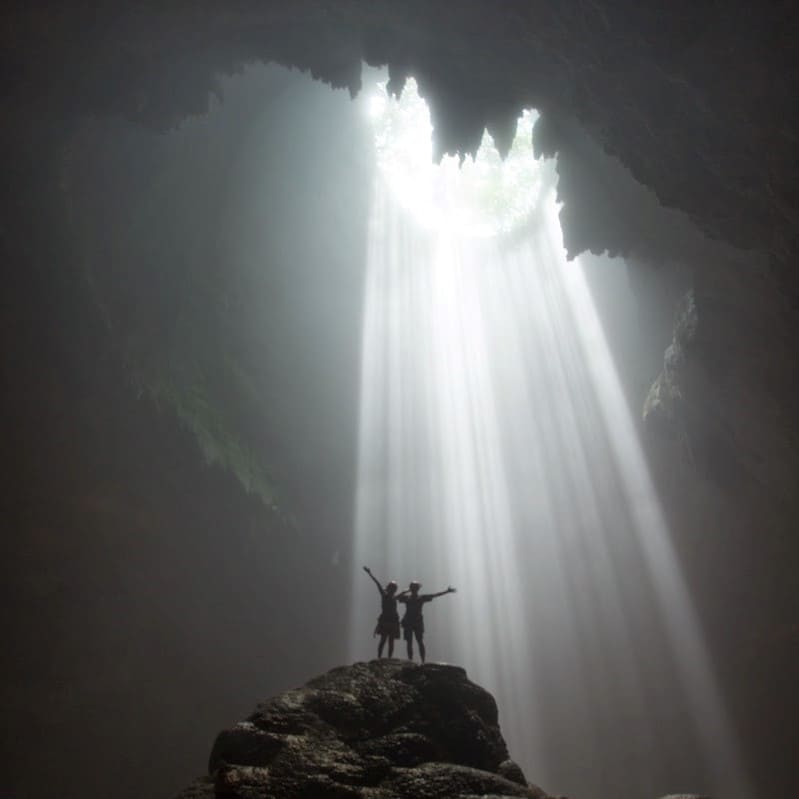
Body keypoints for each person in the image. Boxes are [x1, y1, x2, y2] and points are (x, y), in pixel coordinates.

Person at [397, 580, 456, 663]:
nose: (414, 589)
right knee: (413, 642)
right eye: (413, 587)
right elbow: (396, 598)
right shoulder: (410, 598)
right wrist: (405, 591)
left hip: (414, 622)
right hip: (410, 622)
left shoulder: (418, 597)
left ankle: (420, 661)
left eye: (415, 587)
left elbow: (434, 595)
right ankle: (413, 661)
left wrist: (446, 591)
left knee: (417, 641)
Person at [363, 566, 401, 658]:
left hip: (392, 620)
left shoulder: (394, 597)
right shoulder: (385, 595)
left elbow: (403, 593)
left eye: (394, 588)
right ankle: (380, 657)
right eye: (392, 588)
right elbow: (377, 583)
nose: (393, 590)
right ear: (389, 588)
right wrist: (370, 573)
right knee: (384, 640)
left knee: (390, 641)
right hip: (386, 620)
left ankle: (388, 659)